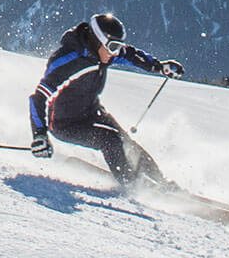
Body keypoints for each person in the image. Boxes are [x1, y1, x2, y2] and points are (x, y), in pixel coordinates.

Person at [28, 11, 184, 187]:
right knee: (110, 140)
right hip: (64, 124)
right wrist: (39, 135)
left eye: (118, 46)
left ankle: (161, 182)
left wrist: (159, 67)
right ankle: (133, 185)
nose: (116, 52)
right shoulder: (67, 61)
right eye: (112, 47)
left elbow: (131, 55)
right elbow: (38, 97)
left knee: (127, 144)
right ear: (97, 40)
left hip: (92, 111)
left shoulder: (104, 53)